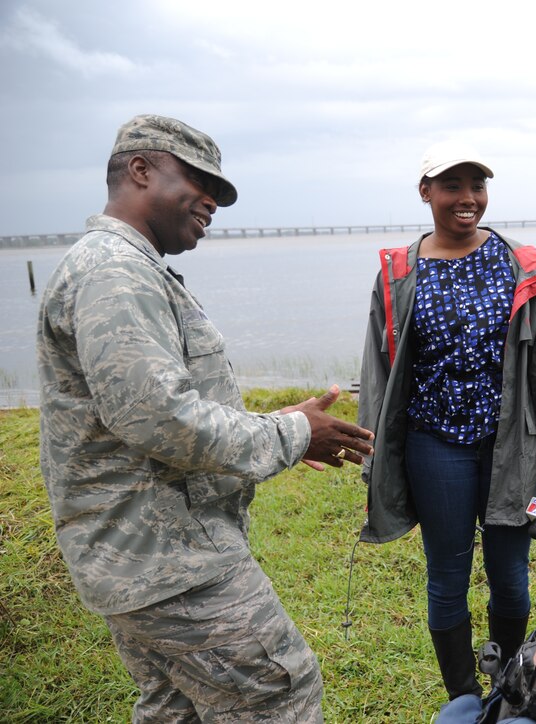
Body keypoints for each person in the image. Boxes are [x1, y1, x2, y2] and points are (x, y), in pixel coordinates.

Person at [36, 114, 375, 722]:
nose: (214, 200)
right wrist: (293, 432)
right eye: (198, 179)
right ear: (139, 170)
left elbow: (158, 405)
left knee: (176, 710)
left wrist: (284, 426)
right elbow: (159, 418)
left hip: (141, 558)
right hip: (173, 565)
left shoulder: (122, 267)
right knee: (279, 694)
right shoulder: (116, 272)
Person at [357, 141, 536, 708]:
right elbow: (379, 367)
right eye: (452, 186)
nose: (467, 199)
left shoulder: (517, 264)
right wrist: (371, 451)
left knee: (511, 576)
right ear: (425, 192)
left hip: (511, 447)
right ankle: (464, 696)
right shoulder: (400, 272)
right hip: (435, 445)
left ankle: (507, 686)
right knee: (447, 575)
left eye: (477, 185)